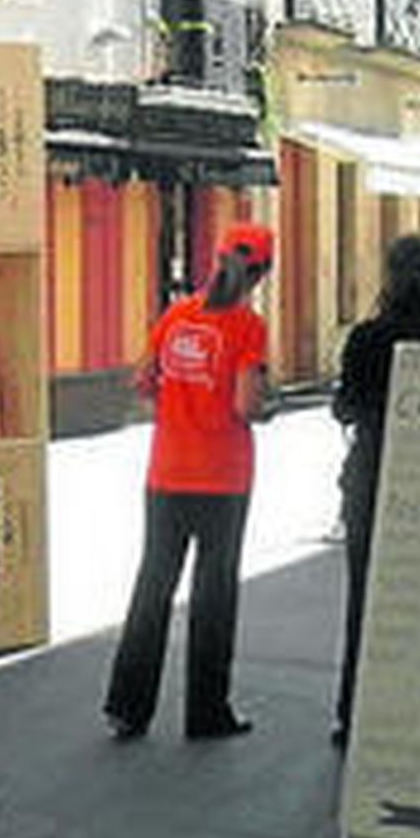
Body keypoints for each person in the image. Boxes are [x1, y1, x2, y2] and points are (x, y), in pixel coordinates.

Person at [103, 221, 275, 742]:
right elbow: (247, 405)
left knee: (153, 585)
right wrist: (267, 405)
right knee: (213, 593)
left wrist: (178, 407)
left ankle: (127, 707)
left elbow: (141, 381)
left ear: (216, 258)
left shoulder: (176, 315)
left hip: (167, 472)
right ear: (261, 273)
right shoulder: (248, 326)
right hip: (223, 478)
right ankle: (207, 713)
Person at [330, 234, 420, 749]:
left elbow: (345, 408)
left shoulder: (367, 337)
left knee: (365, 605)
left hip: (371, 484)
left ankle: (354, 717)